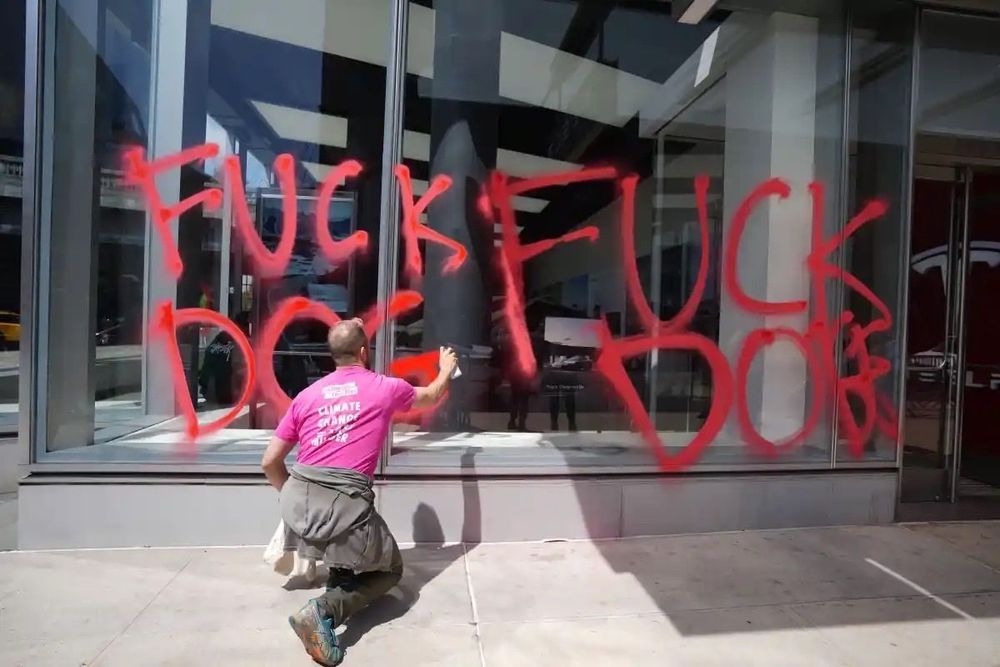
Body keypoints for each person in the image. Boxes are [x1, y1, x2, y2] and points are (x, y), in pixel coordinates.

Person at [261, 318, 458, 666]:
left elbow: (269, 462)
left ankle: (341, 572)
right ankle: (322, 612)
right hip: (343, 504)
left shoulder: (306, 396)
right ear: (364, 352)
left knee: (349, 540)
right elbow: (430, 397)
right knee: (389, 570)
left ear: (332, 355)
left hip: (297, 499)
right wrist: (445, 370)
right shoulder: (383, 388)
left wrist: (291, 498)